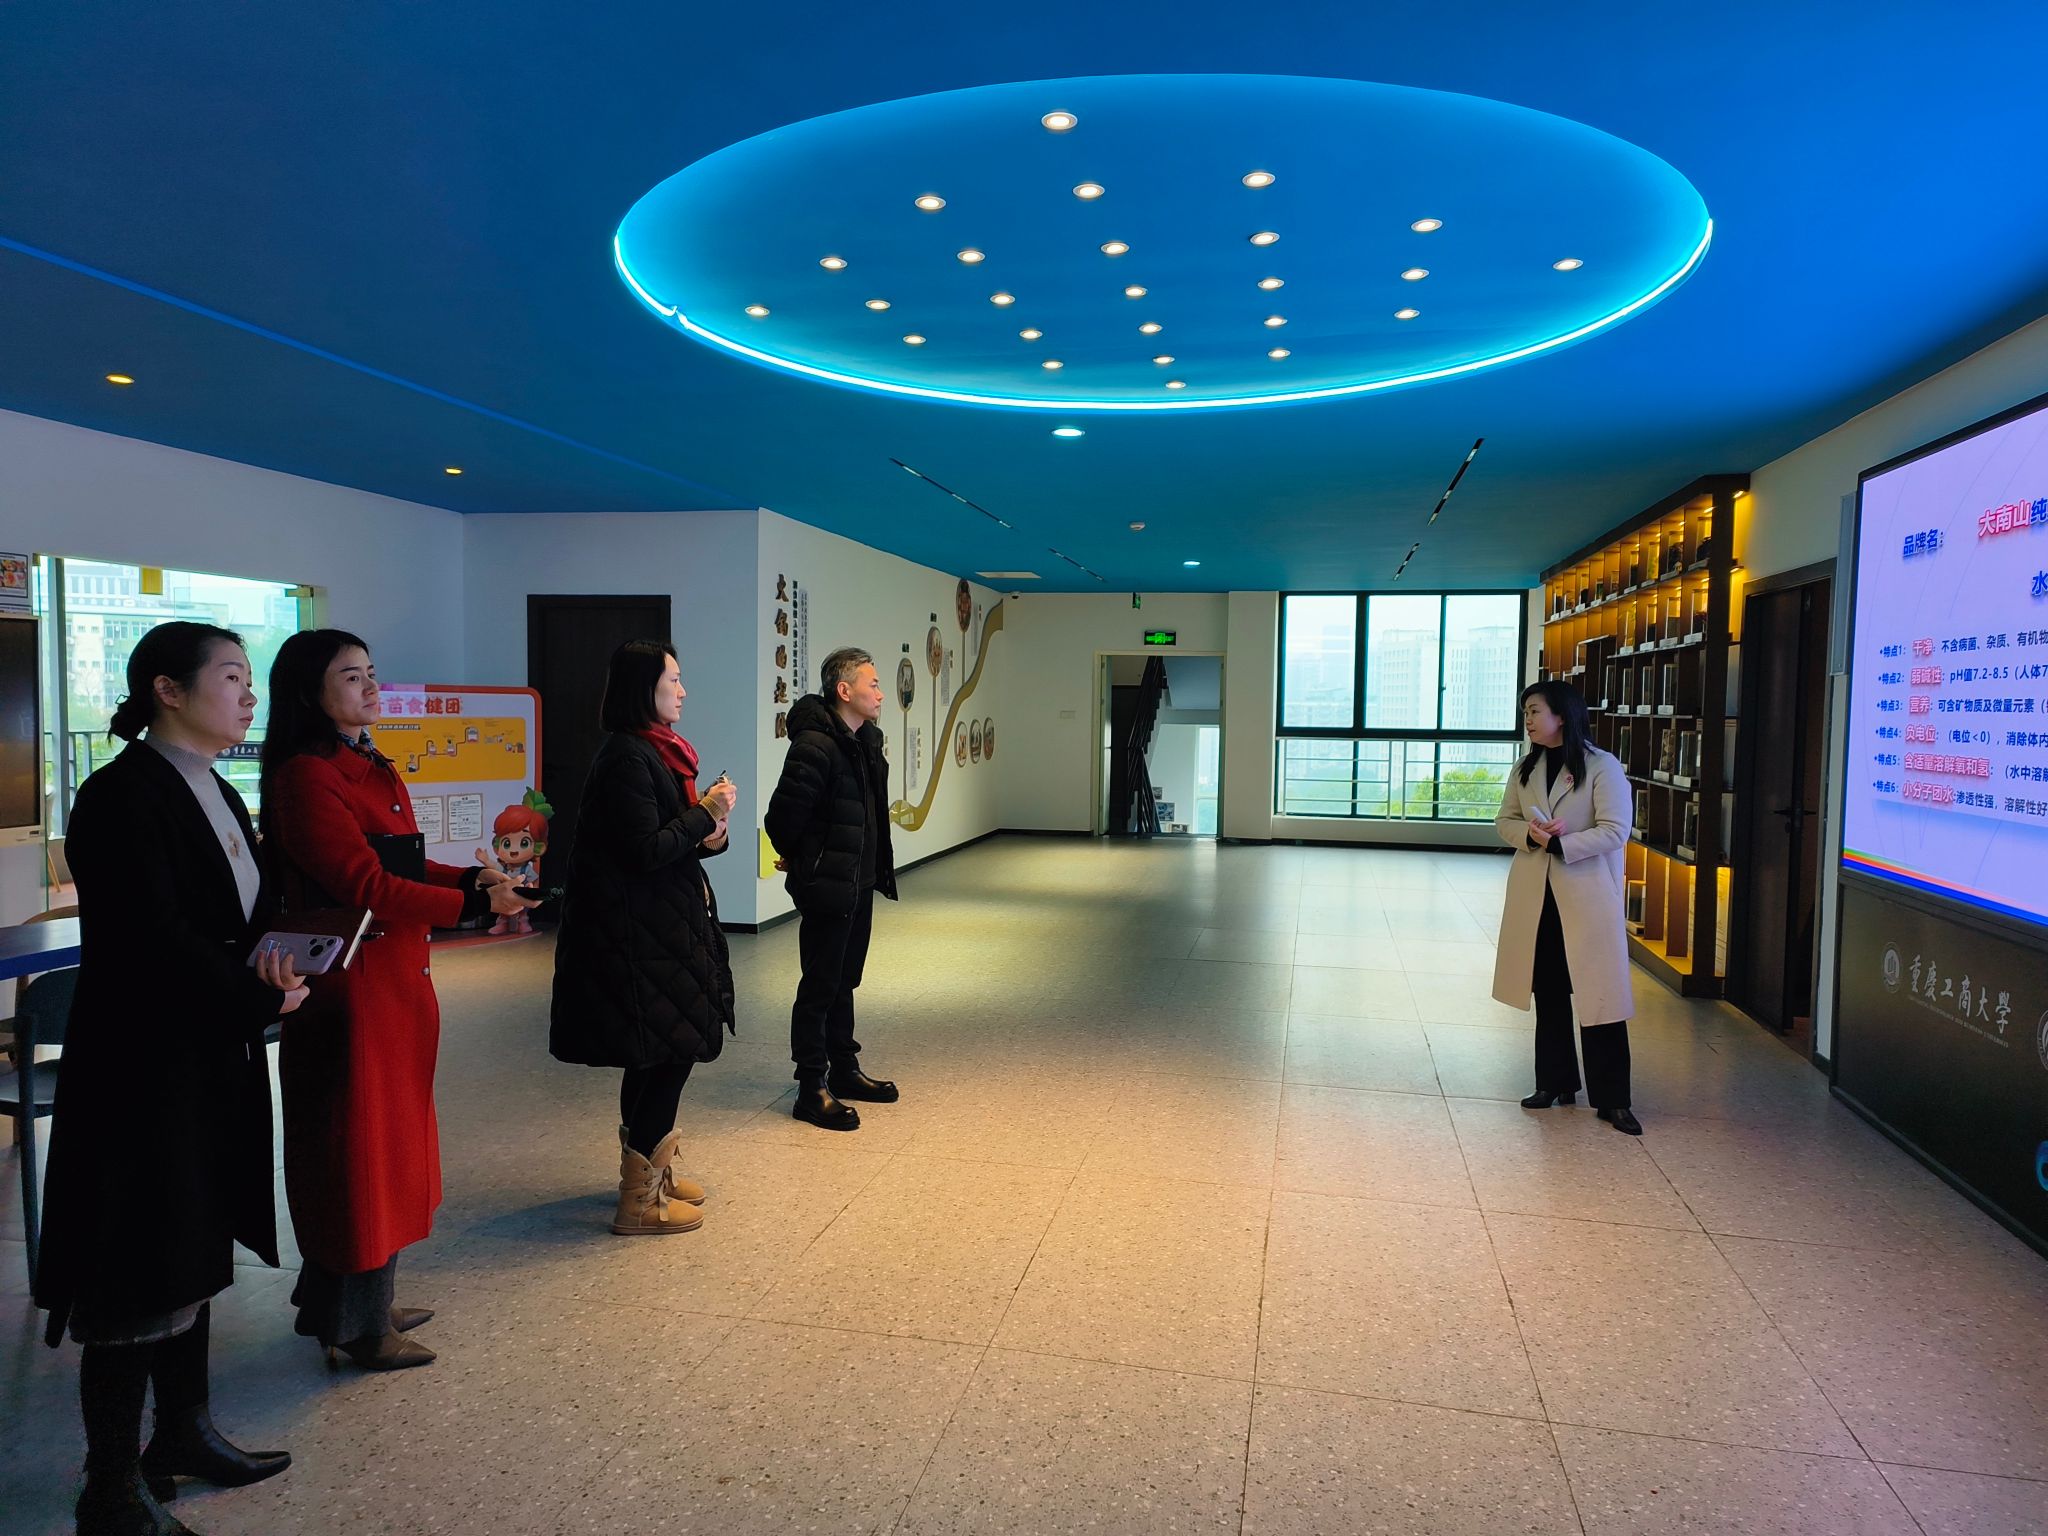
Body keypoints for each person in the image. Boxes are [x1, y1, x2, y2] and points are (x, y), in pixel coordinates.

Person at [36, 622, 302, 1535]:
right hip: (141, 1071)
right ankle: (109, 1490)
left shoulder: (215, 785)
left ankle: (182, 1431)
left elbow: (236, 917)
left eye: (249, 678)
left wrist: (283, 964)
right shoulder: (120, 795)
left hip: (206, 1054)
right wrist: (253, 990)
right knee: (137, 1266)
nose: (248, 694)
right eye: (230, 676)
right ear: (168, 689)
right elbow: (150, 937)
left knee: (193, 1242)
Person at [260, 630, 533, 1370]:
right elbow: (364, 884)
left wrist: (471, 880)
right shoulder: (308, 775)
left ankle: (354, 1305)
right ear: (310, 692)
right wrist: (472, 905)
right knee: (359, 1155)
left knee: (384, 1150)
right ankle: (357, 1326)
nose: (371, 687)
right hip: (353, 986)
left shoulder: (364, 761)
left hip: (391, 979)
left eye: (371, 673)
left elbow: (401, 863)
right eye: (351, 677)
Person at [549, 640, 738, 1235]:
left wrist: (711, 831)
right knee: (665, 1055)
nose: (682, 691)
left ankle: (651, 1170)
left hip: (659, 928)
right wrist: (705, 813)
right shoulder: (628, 757)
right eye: (672, 680)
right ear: (643, 687)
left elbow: (668, 839)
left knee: (658, 1055)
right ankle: (639, 1200)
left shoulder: (660, 752)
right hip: (636, 937)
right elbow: (644, 850)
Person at [1492, 679, 1641, 1135]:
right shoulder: (1526, 767)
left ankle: (1613, 1099)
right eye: (1526, 713)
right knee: (1549, 991)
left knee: (1599, 997)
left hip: (1586, 896)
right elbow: (1504, 820)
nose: (1528, 720)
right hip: (1537, 897)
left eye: (1535, 711)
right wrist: (1530, 834)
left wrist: (1561, 844)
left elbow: (1615, 830)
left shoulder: (1601, 766)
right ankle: (1554, 1083)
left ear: (1563, 715)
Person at [764, 647, 900, 1130]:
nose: (880, 694)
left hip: (858, 880)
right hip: (827, 884)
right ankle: (810, 1087)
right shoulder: (815, 746)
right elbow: (781, 819)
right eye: (873, 684)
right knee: (820, 985)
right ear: (844, 690)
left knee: (845, 980)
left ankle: (844, 1068)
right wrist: (805, 859)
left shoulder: (866, 741)